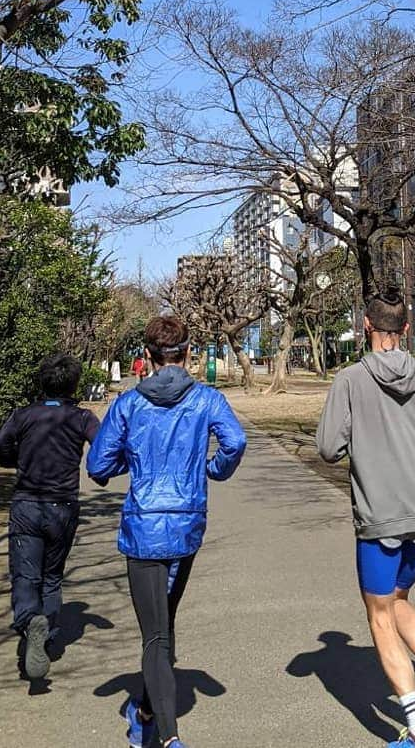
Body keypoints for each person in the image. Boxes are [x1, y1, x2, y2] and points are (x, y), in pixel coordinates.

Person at [316, 290, 415, 748]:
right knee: (400, 597)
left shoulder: (350, 380)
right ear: (406, 330)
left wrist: (360, 442)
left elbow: (328, 448)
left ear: (366, 325)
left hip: (380, 514)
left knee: (380, 615)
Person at [87, 314, 246, 748]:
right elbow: (236, 442)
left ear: (146, 357)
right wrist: (213, 468)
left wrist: (134, 462)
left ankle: (168, 737)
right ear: (188, 353)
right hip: (186, 523)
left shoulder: (128, 403)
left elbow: (98, 465)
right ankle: (143, 713)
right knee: (163, 625)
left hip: (143, 527)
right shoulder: (207, 400)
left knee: (156, 633)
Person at [0, 351, 101, 682]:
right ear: (74, 384)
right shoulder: (83, 418)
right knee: (52, 575)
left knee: (26, 576)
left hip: (27, 503)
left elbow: (0, 445)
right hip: (63, 506)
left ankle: (29, 621)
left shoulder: (23, 415)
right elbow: (103, 449)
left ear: (42, 382)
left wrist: (14, 461)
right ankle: (49, 632)